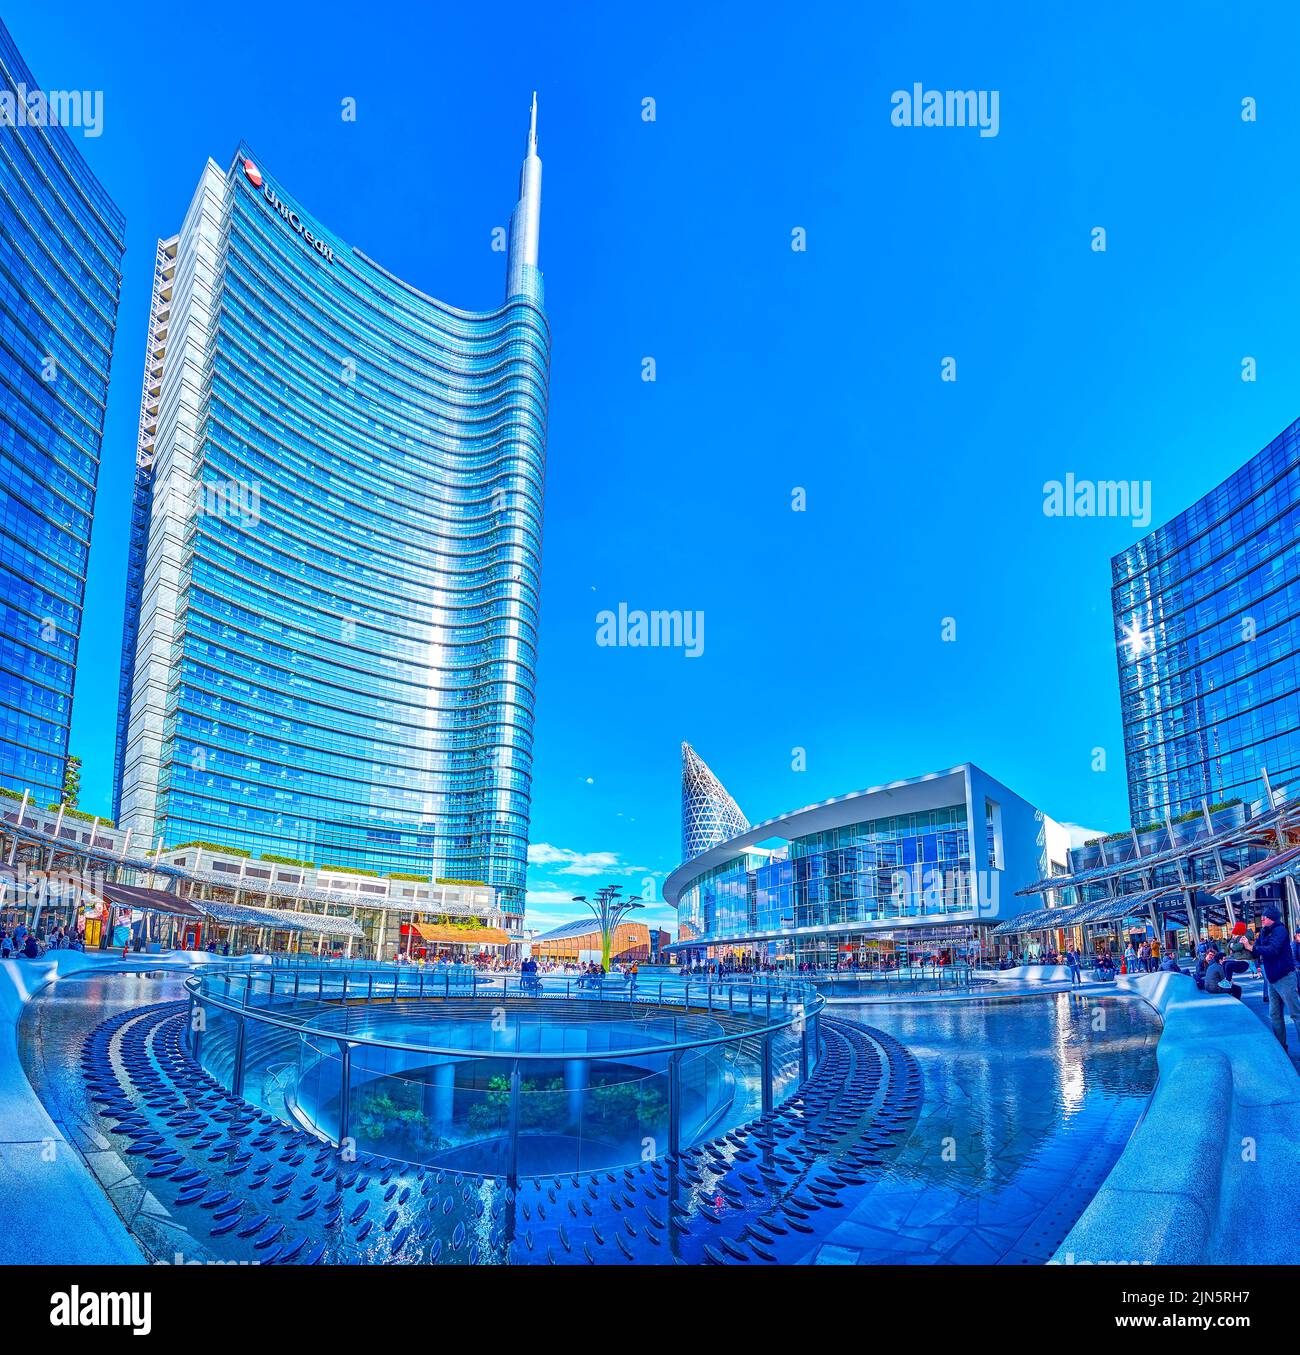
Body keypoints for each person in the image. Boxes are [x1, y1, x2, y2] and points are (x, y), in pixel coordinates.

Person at [1241, 904, 1300, 1049]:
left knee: (1295, 1013)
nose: (1262, 919)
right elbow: (1257, 951)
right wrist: (1242, 945)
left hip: (1285, 977)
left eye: (1264, 917)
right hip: (1271, 978)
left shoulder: (1280, 931)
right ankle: (1281, 1046)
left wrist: (1252, 947)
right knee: (1274, 1014)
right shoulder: (1263, 932)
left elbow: (1272, 950)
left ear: (1271, 919)